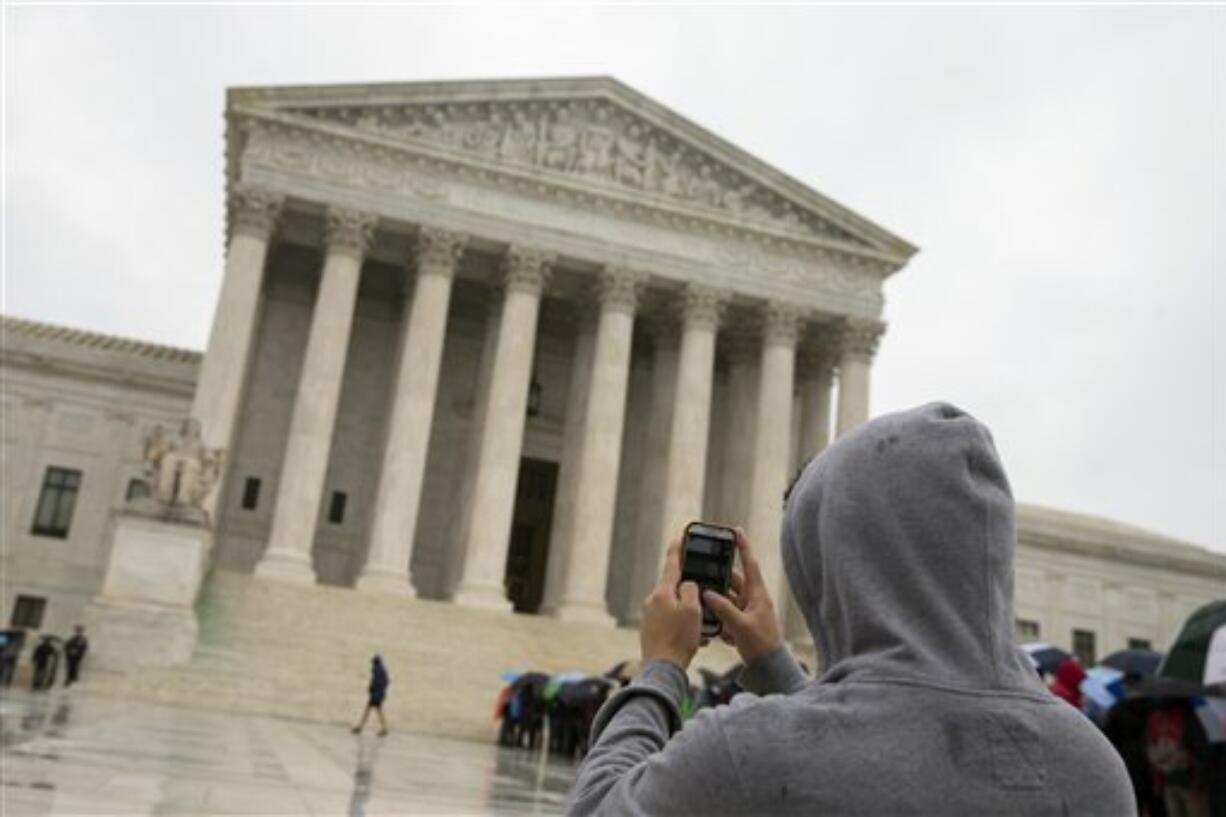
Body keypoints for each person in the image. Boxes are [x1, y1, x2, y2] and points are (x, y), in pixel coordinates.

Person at [569, 402, 1133, 815]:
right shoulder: (1094, 769)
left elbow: (597, 808)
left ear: (831, 564)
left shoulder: (744, 750)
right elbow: (882, 752)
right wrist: (771, 662)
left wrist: (661, 666)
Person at [352, 655, 389, 737]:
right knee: (378, 711)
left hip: (375, 695)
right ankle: (384, 729)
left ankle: (360, 727)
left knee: (368, 711)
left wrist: (370, 689)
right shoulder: (383, 670)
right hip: (379, 695)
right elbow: (386, 682)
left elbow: (374, 682)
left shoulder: (376, 670)